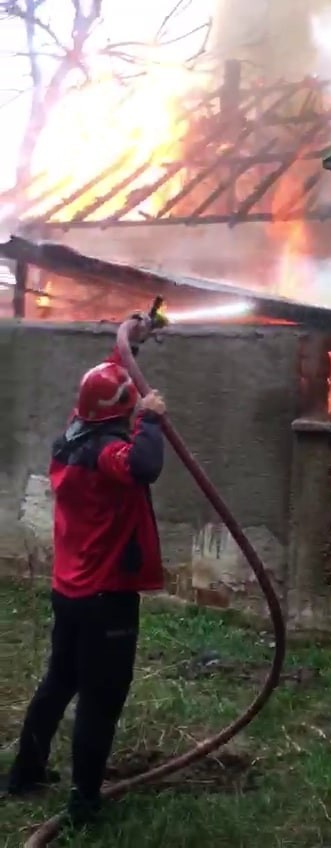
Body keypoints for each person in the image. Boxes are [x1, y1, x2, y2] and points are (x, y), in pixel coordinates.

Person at [2, 319, 165, 827]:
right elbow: (144, 465)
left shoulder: (72, 437)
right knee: (101, 697)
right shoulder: (108, 456)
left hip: (69, 592)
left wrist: (132, 343)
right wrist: (152, 419)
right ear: (121, 413)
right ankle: (84, 804)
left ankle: (24, 774)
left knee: (60, 680)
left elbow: (108, 388)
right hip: (105, 599)